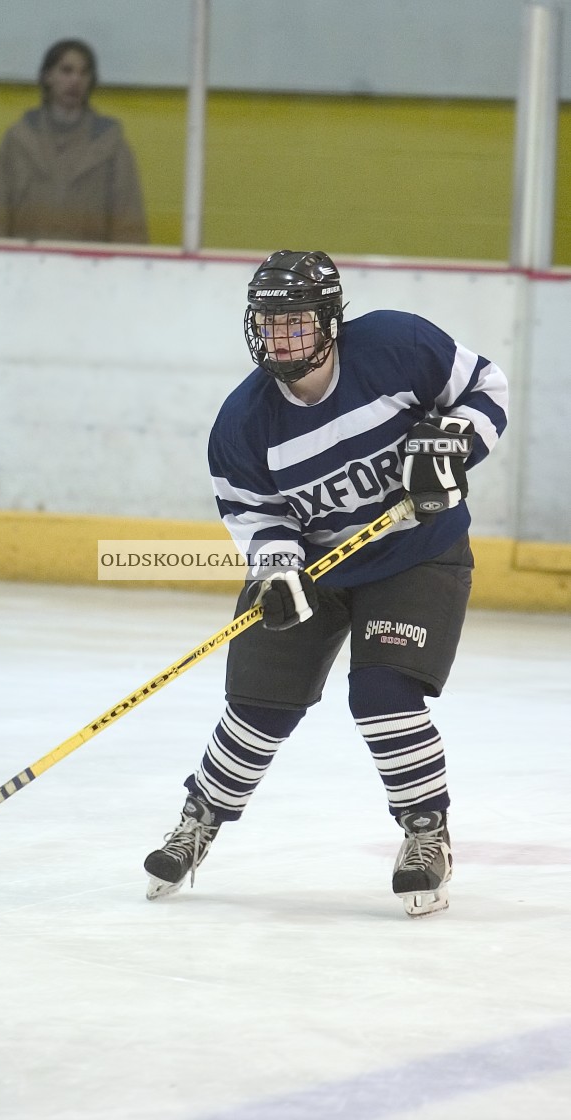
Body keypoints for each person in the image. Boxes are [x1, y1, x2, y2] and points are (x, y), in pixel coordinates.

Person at [144, 250, 509, 918]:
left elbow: (486, 386)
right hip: (316, 570)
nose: (282, 338)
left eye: (297, 323)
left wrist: (455, 441)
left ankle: (427, 832)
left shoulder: (398, 346)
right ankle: (199, 820)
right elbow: (253, 511)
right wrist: (278, 568)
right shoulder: (243, 422)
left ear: (331, 322)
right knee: (257, 705)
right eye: (269, 323)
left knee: (382, 694)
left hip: (416, 555)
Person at [0, 39, 148, 244]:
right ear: (47, 76)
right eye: (66, 71)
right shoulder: (18, 141)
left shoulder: (111, 144)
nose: (75, 80)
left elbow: (128, 224)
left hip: (90, 268)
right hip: (26, 265)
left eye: (84, 73)